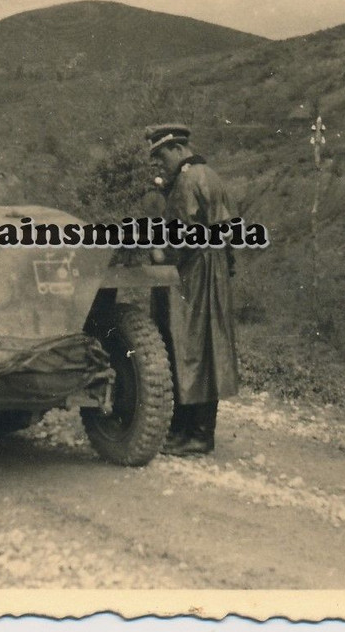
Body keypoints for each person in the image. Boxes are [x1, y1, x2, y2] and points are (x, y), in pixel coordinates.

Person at [145, 124, 239, 456]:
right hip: (213, 269)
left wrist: (157, 254)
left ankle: (192, 434)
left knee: (185, 343)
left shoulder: (186, 181)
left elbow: (178, 237)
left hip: (192, 271)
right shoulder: (211, 175)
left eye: (160, 157)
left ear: (175, 149)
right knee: (209, 345)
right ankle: (199, 432)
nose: (159, 166)